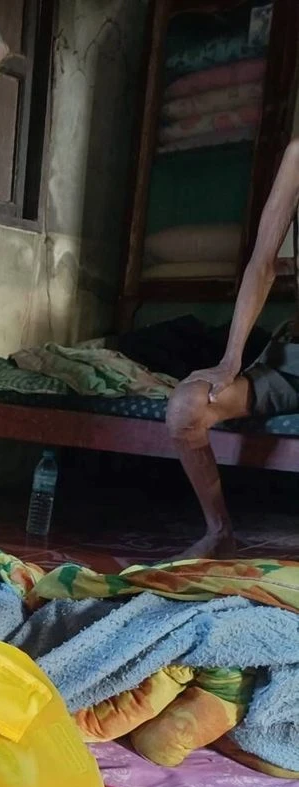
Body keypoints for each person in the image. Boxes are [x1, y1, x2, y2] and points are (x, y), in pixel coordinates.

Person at [165, 138, 299, 559]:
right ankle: (219, 533)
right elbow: (262, 265)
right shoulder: (298, 155)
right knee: (187, 407)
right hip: (293, 359)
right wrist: (230, 359)